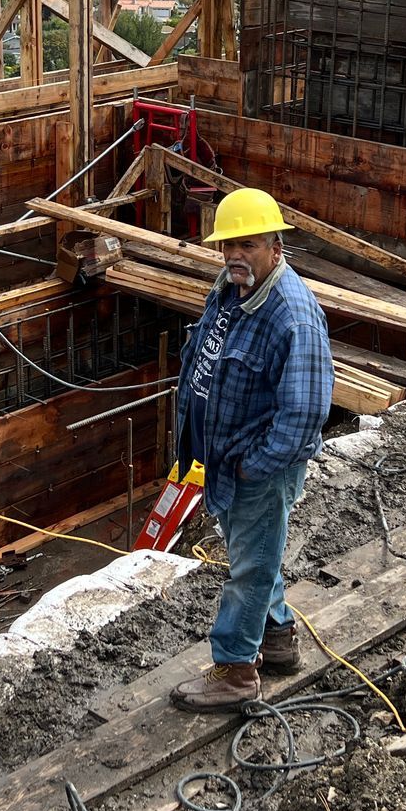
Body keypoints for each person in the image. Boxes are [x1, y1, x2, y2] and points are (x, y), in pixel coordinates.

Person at [167, 188, 333, 711]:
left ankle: (237, 669)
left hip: (257, 468)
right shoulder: (231, 289)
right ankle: (278, 641)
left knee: (249, 570)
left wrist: (251, 466)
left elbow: (304, 414)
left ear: (276, 247)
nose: (236, 255)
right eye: (228, 245)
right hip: (226, 461)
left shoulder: (293, 318)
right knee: (256, 553)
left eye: (250, 245)